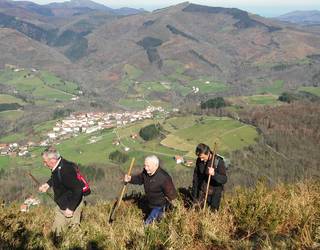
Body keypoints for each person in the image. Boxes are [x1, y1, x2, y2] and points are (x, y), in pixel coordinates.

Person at [39, 146, 84, 236]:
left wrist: (71, 208)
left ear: (52, 160)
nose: (44, 164)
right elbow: (56, 177)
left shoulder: (65, 170)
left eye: (45, 161)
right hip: (62, 204)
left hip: (72, 204)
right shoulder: (59, 165)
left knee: (74, 233)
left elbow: (78, 189)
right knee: (56, 234)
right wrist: (48, 184)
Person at [124, 155, 177, 225]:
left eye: (148, 166)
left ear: (156, 165)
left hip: (160, 206)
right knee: (154, 221)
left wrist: (175, 210)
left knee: (147, 224)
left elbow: (172, 195)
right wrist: (130, 179)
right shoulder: (146, 173)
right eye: (145, 165)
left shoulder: (164, 178)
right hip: (150, 204)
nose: (145, 168)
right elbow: (140, 179)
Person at [192, 143, 227, 211]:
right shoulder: (199, 160)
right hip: (202, 191)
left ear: (208, 153)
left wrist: (214, 174)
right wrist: (194, 195)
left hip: (215, 194)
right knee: (197, 210)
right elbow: (196, 177)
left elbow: (224, 179)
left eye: (203, 157)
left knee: (213, 212)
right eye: (199, 157)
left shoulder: (218, 161)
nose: (201, 159)